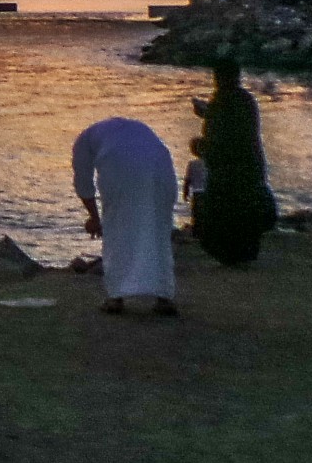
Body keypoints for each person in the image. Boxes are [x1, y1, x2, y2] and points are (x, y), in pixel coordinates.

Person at [71, 117, 179, 316]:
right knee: (158, 230)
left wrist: (95, 218)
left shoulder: (82, 143)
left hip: (119, 162)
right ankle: (164, 297)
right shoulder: (130, 129)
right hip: (160, 162)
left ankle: (116, 297)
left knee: (116, 229)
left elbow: (83, 184)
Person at [191, 58, 277, 266]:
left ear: (218, 78)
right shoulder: (246, 99)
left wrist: (198, 146)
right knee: (244, 212)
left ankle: (230, 255)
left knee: (224, 212)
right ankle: (244, 253)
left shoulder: (221, 101)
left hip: (227, 171)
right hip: (250, 165)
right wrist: (206, 112)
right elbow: (236, 127)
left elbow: (219, 138)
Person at [181, 136, 208, 218]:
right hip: (207, 192)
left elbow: (187, 181)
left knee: (196, 215)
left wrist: (185, 193)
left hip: (197, 193)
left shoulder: (192, 164)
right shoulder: (209, 164)